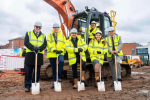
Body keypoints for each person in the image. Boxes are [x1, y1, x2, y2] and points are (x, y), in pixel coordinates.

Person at [24, 21, 47, 92]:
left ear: (41, 28)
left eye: (39, 27)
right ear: (34, 27)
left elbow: (44, 44)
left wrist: (40, 49)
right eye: (37, 27)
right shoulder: (28, 33)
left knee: (37, 71)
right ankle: (27, 85)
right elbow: (26, 42)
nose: (38, 28)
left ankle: (35, 84)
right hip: (30, 54)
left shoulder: (43, 35)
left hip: (39, 54)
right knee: (29, 71)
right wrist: (33, 48)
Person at [47, 23, 66, 89]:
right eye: (55, 27)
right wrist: (53, 50)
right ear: (53, 28)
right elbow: (48, 43)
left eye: (57, 27)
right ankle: (55, 82)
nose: (56, 28)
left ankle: (59, 75)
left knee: (61, 61)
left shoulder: (62, 36)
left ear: (59, 28)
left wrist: (62, 50)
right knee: (54, 68)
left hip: (60, 53)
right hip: (52, 53)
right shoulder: (49, 35)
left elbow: (64, 44)